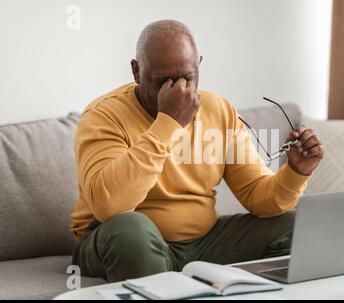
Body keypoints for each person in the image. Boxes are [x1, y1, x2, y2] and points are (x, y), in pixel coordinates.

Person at [70, 19, 324, 282]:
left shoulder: (219, 110)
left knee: (298, 228)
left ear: (198, 65)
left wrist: (295, 172)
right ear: (136, 71)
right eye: (162, 81)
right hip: (117, 239)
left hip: (202, 244)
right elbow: (108, 206)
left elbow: (257, 197)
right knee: (129, 229)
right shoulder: (103, 115)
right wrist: (168, 124)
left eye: (187, 77)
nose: (179, 90)